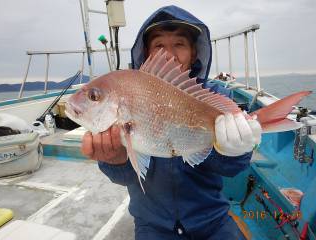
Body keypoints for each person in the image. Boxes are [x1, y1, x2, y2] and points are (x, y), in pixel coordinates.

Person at [81, 5, 261, 240]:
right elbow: (125, 177)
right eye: (159, 46)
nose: (169, 54)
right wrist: (115, 161)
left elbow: (231, 168)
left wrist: (235, 151)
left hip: (211, 219)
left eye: (179, 44)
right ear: (146, 53)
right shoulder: (127, 97)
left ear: (194, 53)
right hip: (152, 225)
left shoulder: (214, 97)